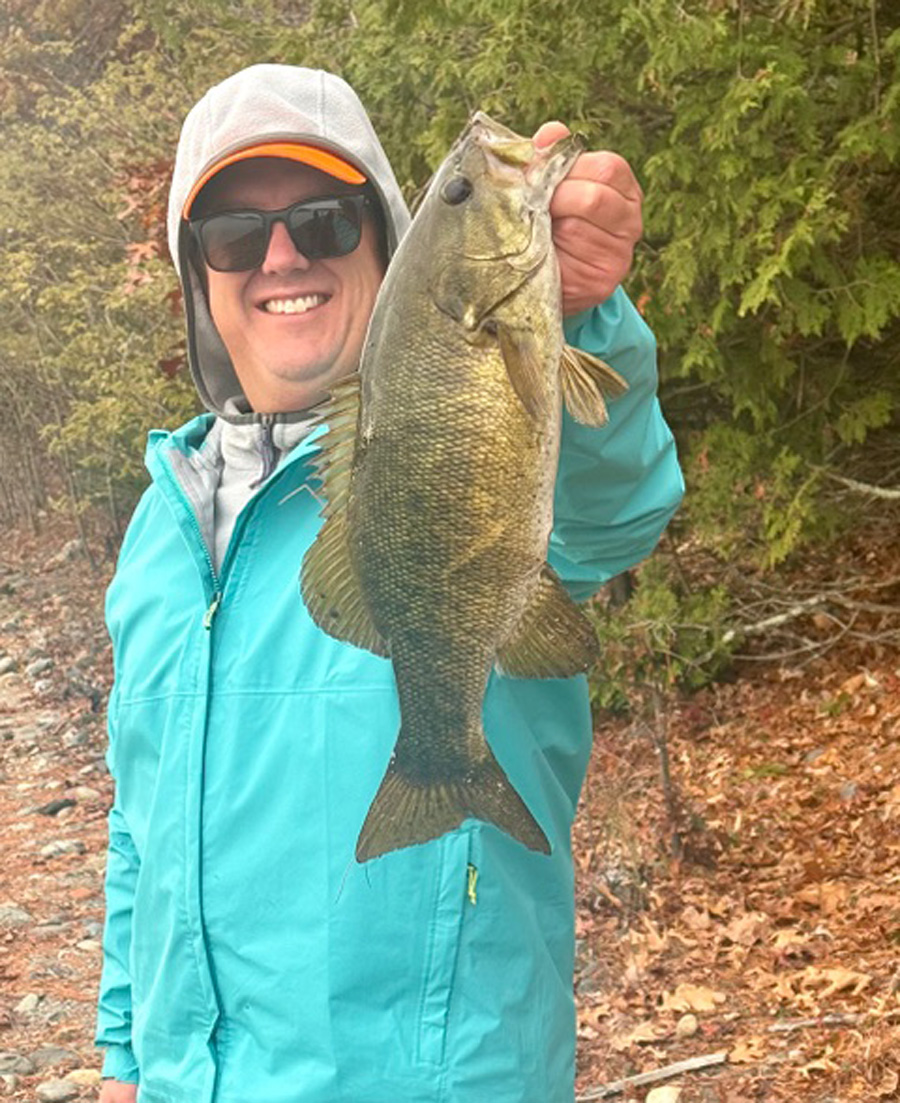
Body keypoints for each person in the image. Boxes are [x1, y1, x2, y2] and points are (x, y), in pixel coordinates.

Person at [95, 64, 683, 1103]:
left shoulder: (483, 416)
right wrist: (126, 1058)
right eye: (235, 233)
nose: (281, 256)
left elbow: (612, 510)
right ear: (200, 278)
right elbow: (142, 826)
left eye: (322, 221)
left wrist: (580, 315)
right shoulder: (159, 526)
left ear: (389, 243)